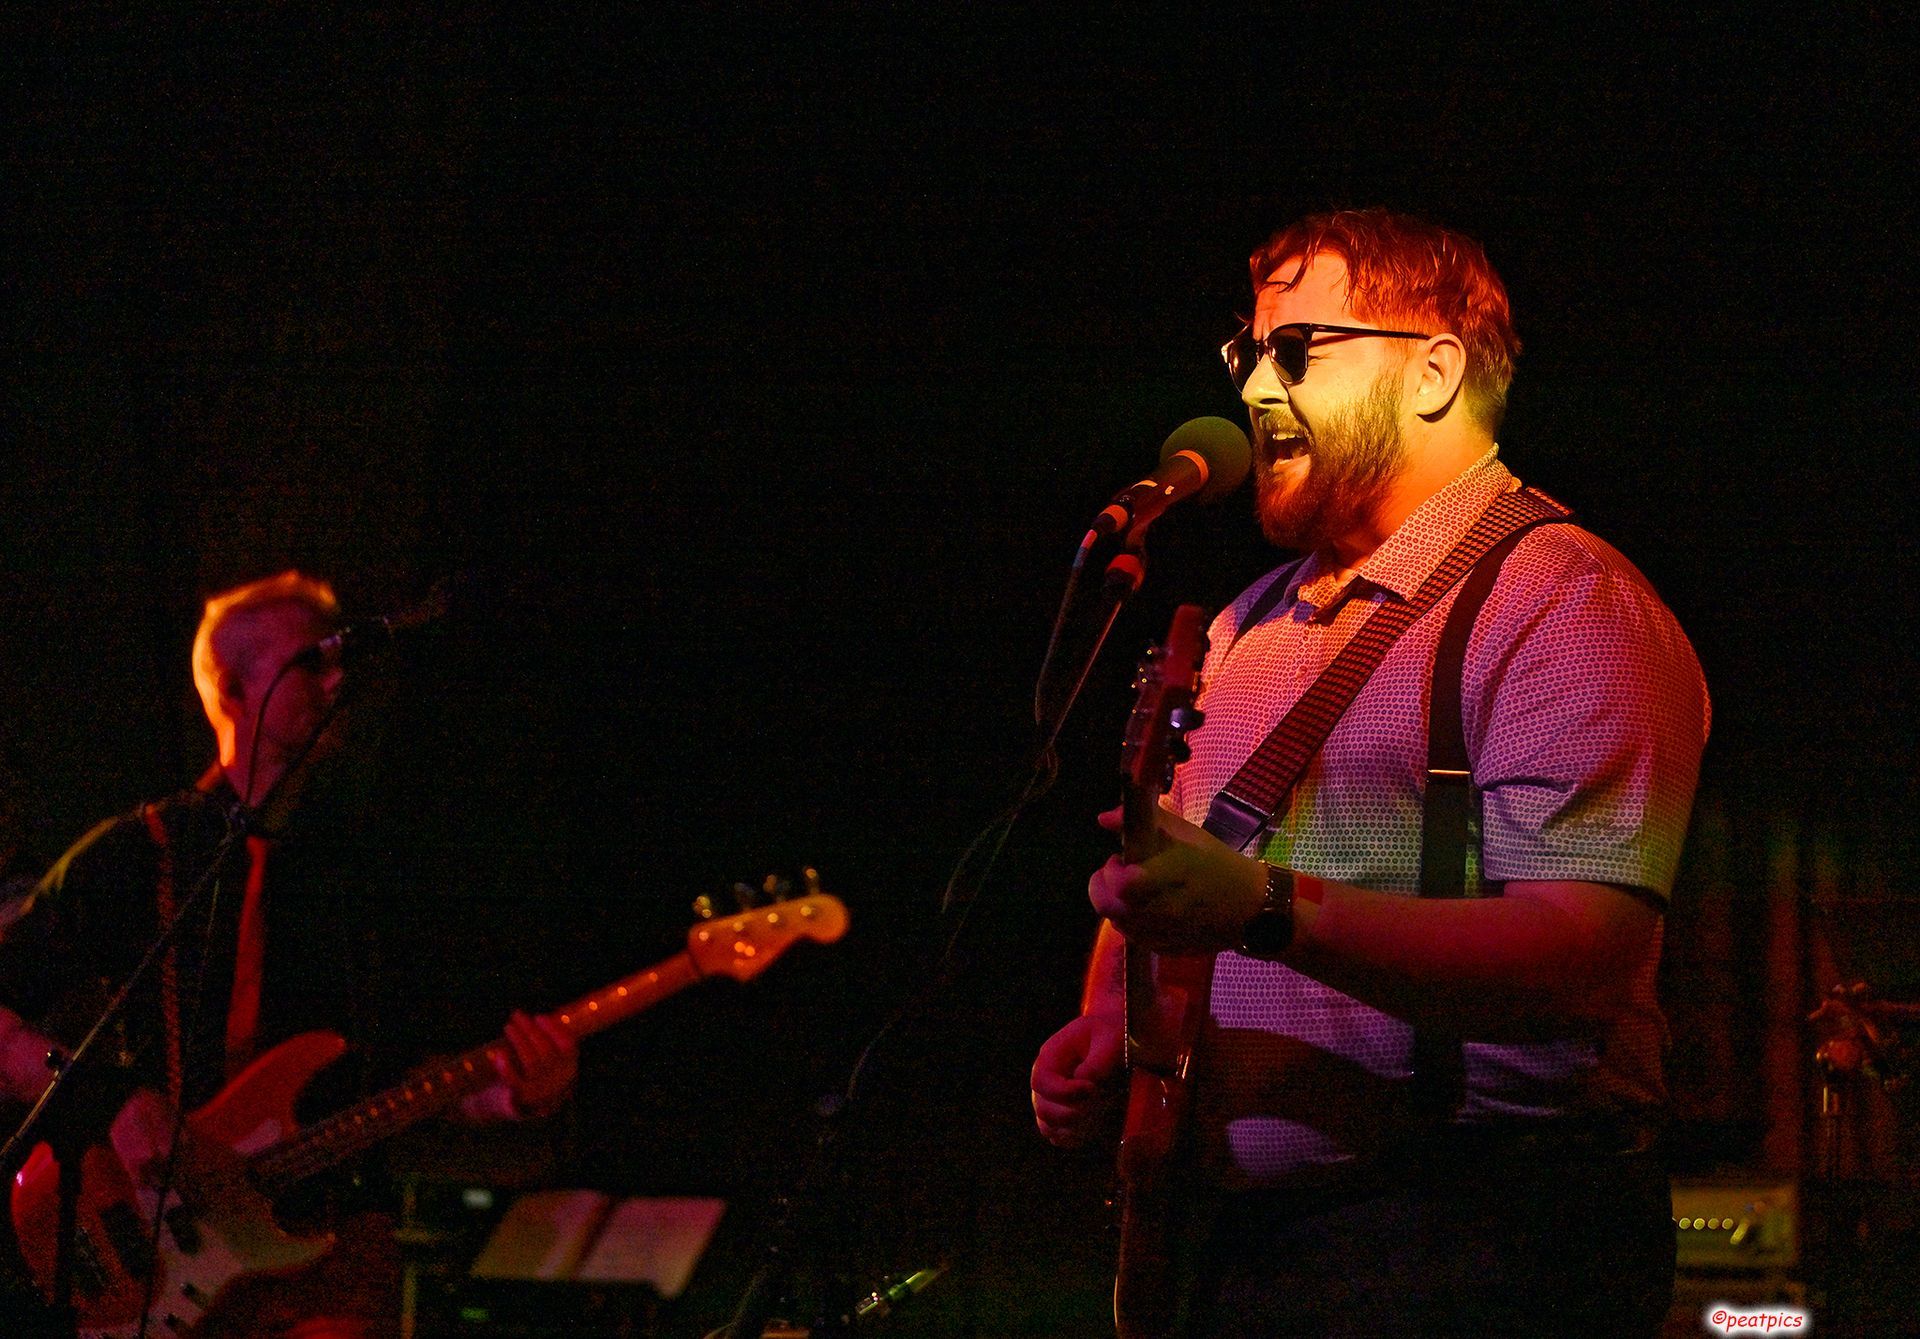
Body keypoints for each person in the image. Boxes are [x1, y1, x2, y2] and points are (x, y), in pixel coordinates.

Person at [1030, 210, 1709, 1337]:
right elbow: (1184, 868)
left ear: (1434, 372)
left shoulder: (1564, 601)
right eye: (1248, 352)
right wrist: (1114, 1018)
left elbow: (1584, 950)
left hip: (1477, 1248)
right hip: (1245, 1249)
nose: (1256, 388)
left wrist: (1264, 908)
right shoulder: (1245, 623)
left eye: (1297, 349)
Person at [0, 571, 578, 1339]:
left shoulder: (366, 873)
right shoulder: (142, 852)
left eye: (340, 662)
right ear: (235, 691)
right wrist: (113, 1101)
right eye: (312, 661)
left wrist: (510, 1095)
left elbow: (404, 1076)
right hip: (157, 1249)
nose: (338, 680)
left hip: (329, 1253)